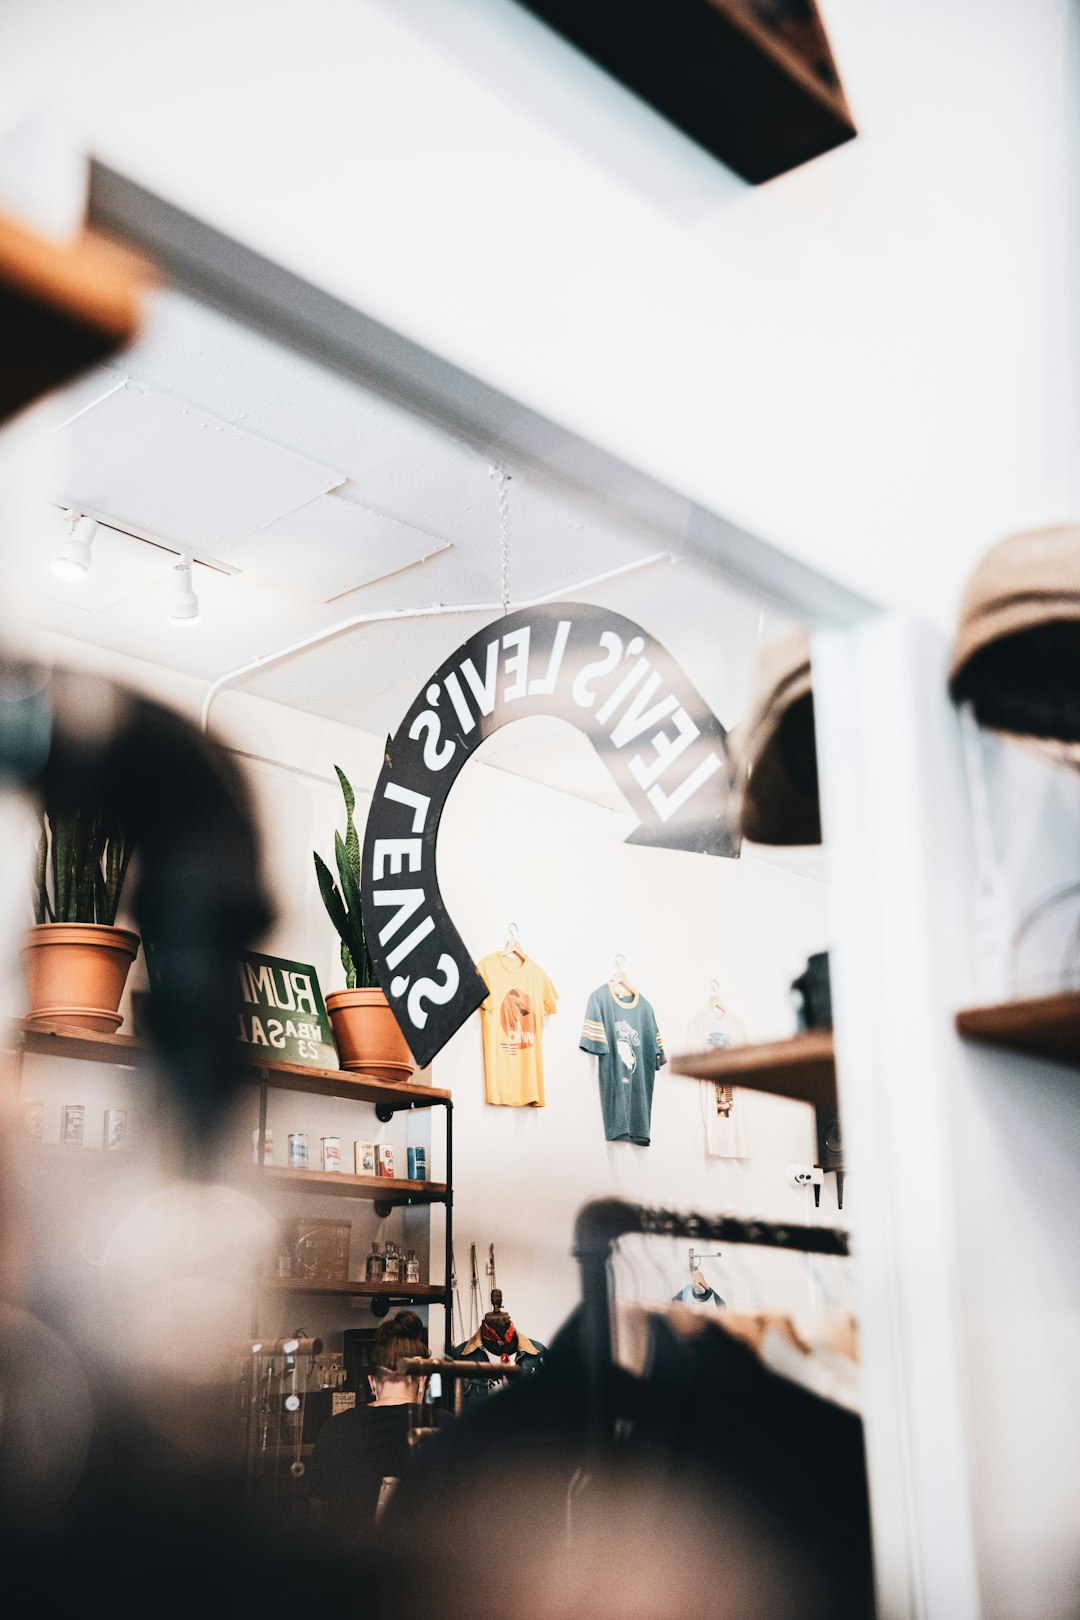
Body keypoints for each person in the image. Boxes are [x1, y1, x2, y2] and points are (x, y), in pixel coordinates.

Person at [305, 1311, 443, 1546]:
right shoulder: (446, 1428)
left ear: (372, 1382)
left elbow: (317, 1517)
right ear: (424, 1382)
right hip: (422, 1576)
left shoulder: (334, 1428)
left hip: (350, 1573)